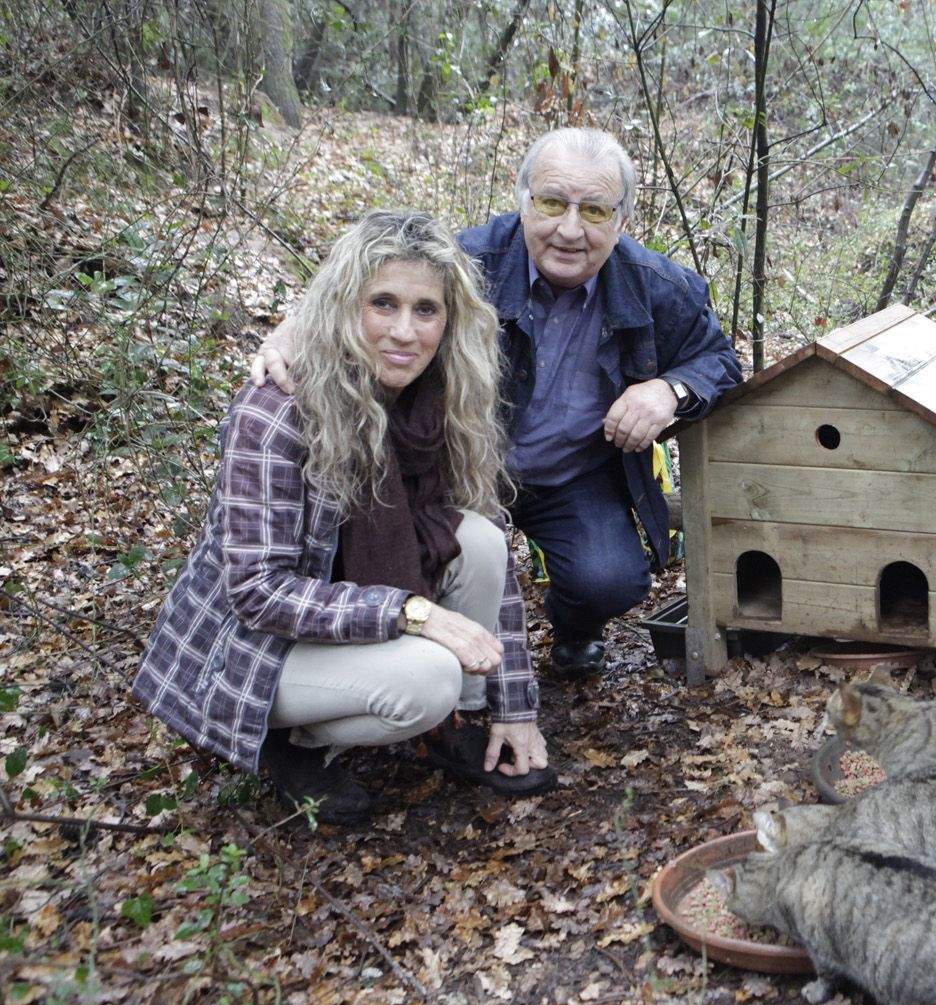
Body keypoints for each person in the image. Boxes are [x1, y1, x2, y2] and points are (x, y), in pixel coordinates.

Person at [255, 128, 743, 677]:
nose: (570, 229)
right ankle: (434, 677)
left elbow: (719, 361)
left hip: (571, 474)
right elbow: (373, 284)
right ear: (522, 200)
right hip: (456, 463)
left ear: (623, 220)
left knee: (611, 579)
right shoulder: (469, 260)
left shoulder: (655, 286)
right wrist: (296, 329)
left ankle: (572, 631)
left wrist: (668, 390)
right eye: (552, 202)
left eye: (596, 211)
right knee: (431, 563)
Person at [136, 211, 552, 825]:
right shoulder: (278, 412)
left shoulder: (440, 401)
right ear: (342, 307)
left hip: (349, 612)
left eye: (426, 310)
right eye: (382, 304)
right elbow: (257, 594)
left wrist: (515, 706)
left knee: (483, 542)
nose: (405, 332)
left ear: (450, 321)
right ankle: (290, 746)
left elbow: (499, 567)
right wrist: (417, 614)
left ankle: (456, 722)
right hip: (257, 649)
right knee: (429, 677)